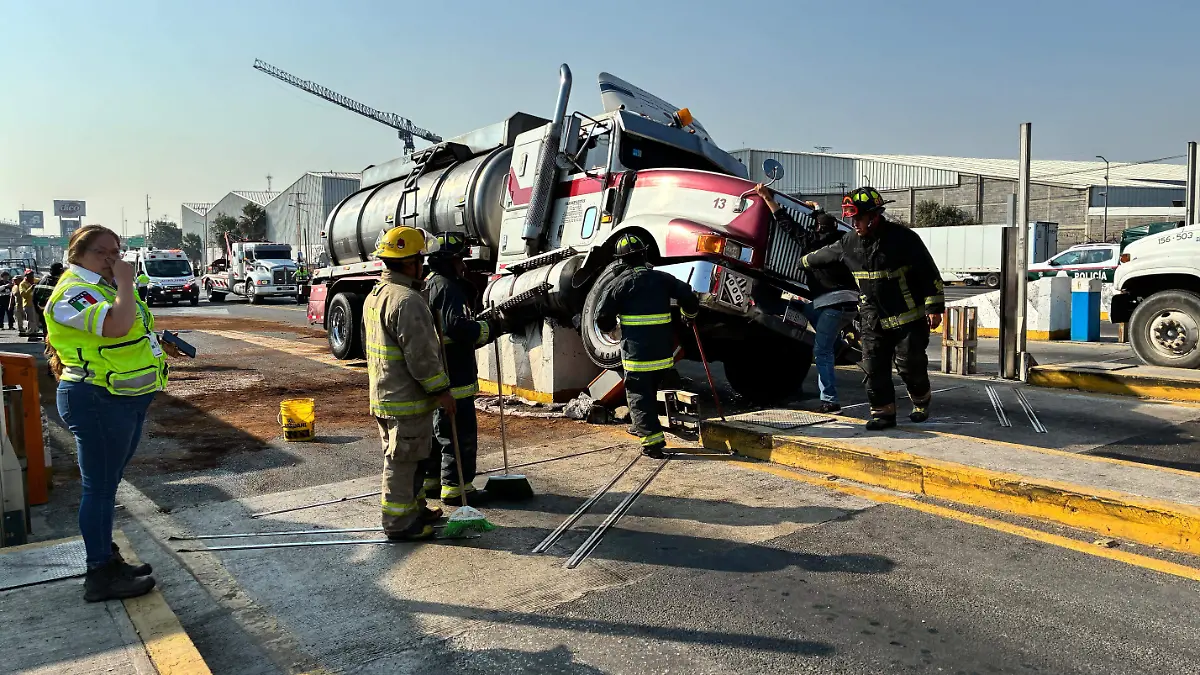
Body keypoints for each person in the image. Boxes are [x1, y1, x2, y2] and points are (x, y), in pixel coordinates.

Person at [45, 225, 174, 602]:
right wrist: (125, 283)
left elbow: (130, 329)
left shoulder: (100, 287)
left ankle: (107, 558)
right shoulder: (73, 292)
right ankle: (99, 573)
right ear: (77, 254)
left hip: (122, 398)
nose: (112, 259)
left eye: (116, 252)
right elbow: (116, 325)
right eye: (103, 252)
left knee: (107, 484)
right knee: (98, 489)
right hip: (97, 401)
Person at [800, 187, 945, 430]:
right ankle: (883, 414)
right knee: (874, 367)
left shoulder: (903, 239)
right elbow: (823, 255)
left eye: (858, 218)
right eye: (852, 219)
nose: (854, 223)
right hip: (872, 320)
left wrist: (934, 307)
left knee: (910, 364)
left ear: (874, 216)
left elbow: (928, 272)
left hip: (907, 318)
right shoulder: (850, 242)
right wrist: (802, 261)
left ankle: (921, 400)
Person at [363, 226, 455, 541]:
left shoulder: (378, 294)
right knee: (401, 461)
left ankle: (414, 507)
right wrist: (442, 391)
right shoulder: (406, 301)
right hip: (405, 399)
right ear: (408, 263)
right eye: (419, 259)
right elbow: (422, 358)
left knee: (411, 456)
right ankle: (399, 523)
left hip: (387, 393)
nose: (423, 265)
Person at [755, 185, 860, 413]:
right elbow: (825, 224)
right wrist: (817, 211)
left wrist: (767, 198)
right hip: (847, 305)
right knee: (800, 308)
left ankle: (830, 401)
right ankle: (837, 344)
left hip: (833, 306)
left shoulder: (812, 243)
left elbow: (787, 224)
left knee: (821, 352)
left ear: (816, 229)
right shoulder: (842, 240)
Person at [596, 233, 701, 458]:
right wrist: (688, 315)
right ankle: (640, 425)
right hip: (663, 354)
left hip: (637, 354)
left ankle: (652, 443)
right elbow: (689, 298)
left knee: (638, 394)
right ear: (644, 255)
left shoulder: (619, 284)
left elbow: (602, 318)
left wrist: (612, 329)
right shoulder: (663, 279)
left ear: (621, 260)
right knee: (650, 389)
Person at [423, 232, 503, 505]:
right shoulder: (448, 287)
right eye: (459, 259)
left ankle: (432, 483)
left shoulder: (430, 284)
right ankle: (458, 490)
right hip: (455, 377)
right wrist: (488, 328)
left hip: (439, 376)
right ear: (448, 261)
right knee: (459, 435)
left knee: (439, 434)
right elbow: (455, 327)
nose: (463, 266)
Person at [31, 262, 65, 341]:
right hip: (54, 313)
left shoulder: (41, 280)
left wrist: (38, 311)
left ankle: (48, 348)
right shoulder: (60, 283)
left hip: (42, 311)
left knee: (46, 331)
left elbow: (34, 297)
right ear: (61, 271)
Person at [17, 270, 37, 336]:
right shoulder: (22, 284)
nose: (31, 276)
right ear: (26, 276)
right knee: (31, 320)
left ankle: (33, 332)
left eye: (32, 274)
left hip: (34, 304)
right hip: (28, 304)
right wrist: (31, 288)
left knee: (34, 320)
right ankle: (31, 334)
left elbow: (41, 280)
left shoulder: (34, 280)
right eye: (29, 275)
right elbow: (23, 294)